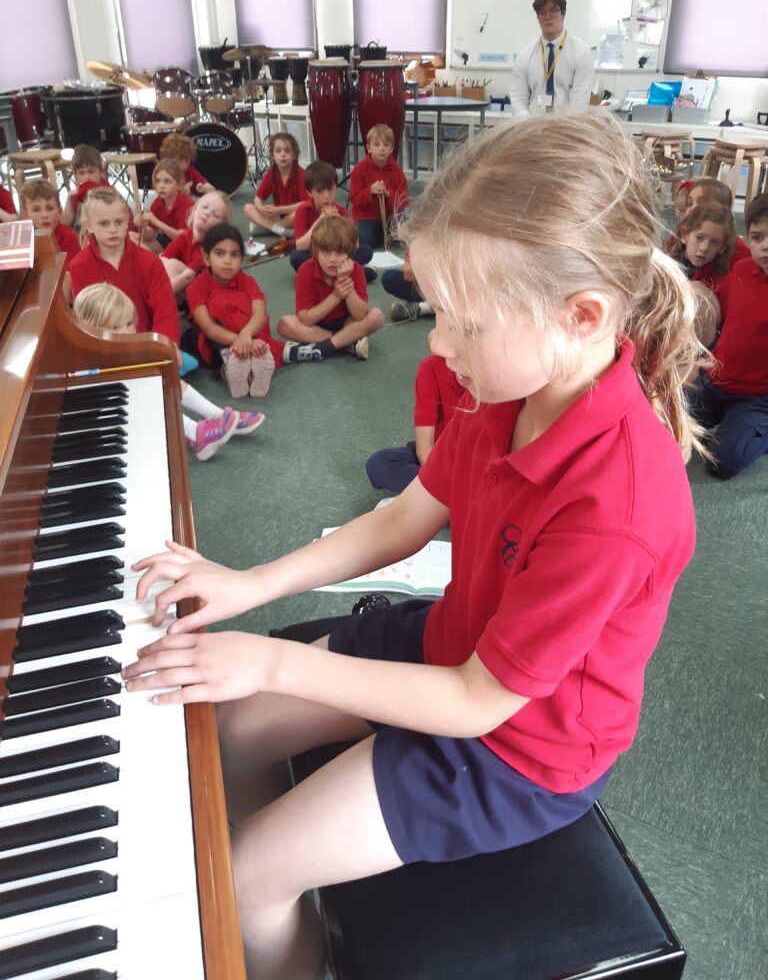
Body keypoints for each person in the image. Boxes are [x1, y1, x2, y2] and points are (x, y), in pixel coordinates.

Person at [125, 111, 705, 980]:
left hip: (520, 750)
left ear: (583, 316)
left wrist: (273, 662)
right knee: (226, 733)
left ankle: (279, 919)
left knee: (247, 874)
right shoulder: (507, 389)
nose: (435, 346)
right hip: (450, 647)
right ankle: (291, 890)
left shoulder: (618, 503)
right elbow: (404, 518)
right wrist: (246, 585)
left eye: (463, 323)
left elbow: (477, 705)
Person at [73, 283, 264, 460]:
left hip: (130, 417)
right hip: (112, 426)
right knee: (147, 388)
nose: (126, 332)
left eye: (129, 323)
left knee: (164, 375)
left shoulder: (118, 350)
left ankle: (216, 415)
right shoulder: (89, 363)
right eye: (115, 327)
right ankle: (194, 432)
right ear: (91, 329)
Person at [688, 193, 768, 478]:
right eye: (757, 237)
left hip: (756, 398)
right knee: (661, 426)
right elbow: (735, 327)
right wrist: (705, 358)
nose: (765, 247)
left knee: (722, 463)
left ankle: (756, 429)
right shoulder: (743, 267)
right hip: (715, 380)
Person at [70, 187, 180, 347]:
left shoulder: (150, 261)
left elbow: (165, 311)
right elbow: (86, 319)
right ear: (89, 226)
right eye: (104, 223)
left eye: (119, 222)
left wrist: (166, 346)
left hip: (148, 344)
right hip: (105, 347)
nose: (113, 230)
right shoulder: (79, 265)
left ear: (127, 219)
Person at [186, 224, 284, 398]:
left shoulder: (248, 281)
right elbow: (208, 327)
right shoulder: (196, 287)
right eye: (219, 253)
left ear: (242, 260)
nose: (227, 261)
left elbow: (260, 314)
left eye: (235, 255)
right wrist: (242, 341)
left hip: (246, 333)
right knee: (195, 334)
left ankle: (248, 366)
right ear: (206, 258)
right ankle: (230, 365)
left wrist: (246, 335)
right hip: (216, 339)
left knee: (245, 312)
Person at [278, 216, 384, 363]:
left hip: (347, 323)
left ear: (350, 252)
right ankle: (346, 342)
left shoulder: (357, 270)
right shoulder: (305, 270)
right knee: (285, 324)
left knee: (377, 316)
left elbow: (360, 315)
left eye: (339, 253)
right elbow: (305, 319)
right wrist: (336, 295)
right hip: (316, 325)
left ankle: (323, 347)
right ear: (315, 250)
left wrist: (345, 283)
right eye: (326, 252)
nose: (333, 259)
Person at [366, 352, 467, 502]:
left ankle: (446, 502)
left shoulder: (497, 377)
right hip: (438, 457)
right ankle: (459, 501)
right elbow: (424, 447)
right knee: (380, 464)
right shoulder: (432, 367)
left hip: (476, 465)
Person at [508, 0, 595, 117]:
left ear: (563, 14)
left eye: (553, 10)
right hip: (532, 128)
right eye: (542, 12)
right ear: (538, 18)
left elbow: (579, 103)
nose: (548, 16)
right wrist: (528, 127)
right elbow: (517, 100)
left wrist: (557, 130)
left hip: (567, 128)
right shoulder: (524, 56)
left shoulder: (581, 52)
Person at [289, 160, 374, 280]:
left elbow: (355, 246)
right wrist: (320, 220)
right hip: (316, 256)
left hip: (338, 257)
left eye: (330, 190)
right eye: (320, 191)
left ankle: (324, 276)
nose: (326, 196)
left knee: (366, 251)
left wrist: (340, 221)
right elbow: (300, 246)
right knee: (296, 257)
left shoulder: (340, 211)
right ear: (309, 192)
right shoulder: (303, 210)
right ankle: (349, 274)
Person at [667, 203, 737, 347]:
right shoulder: (668, 261)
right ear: (685, 235)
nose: (704, 248)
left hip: (699, 345)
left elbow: (727, 325)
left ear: (722, 247)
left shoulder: (722, 279)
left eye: (714, 242)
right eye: (700, 237)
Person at [243, 133, 307, 255]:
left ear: (294, 155)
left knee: (300, 212)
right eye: (278, 151)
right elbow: (257, 199)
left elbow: (305, 204)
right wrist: (263, 210)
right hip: (278, 217)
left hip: (292, 216)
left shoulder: (300, 174)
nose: (282, 154)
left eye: (287, 151)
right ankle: (279, 230)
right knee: (247, 208)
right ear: (273, 155)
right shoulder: (271, 173)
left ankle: (268, 228)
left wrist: (279, 210)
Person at [349, 123, 409, 250]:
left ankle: (385, 237)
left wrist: (388, 195)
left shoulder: (397, 170)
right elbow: (354, 199)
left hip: (390, 216)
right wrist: (369, 191)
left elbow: (403, 201)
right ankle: (384, 238)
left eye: (386, 145)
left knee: (407, 232)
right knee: (366, 241)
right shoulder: (359, 169)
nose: (382, 149)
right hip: (366, 217)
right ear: (368, 148)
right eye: (377, 145)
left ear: (392, 148)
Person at [161, 191, 232, 293]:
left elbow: (188, 277)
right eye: (205, 207)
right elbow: (162, 260)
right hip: (183, 287)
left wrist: (158, 296)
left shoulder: (210, 248)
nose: (207, 213)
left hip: (206, 296)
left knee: (173, 265)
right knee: (163, 262)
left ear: (220, 227)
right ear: (194, 210)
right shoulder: (184, 236)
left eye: (215, 215)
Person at [685, 176, 751, 267]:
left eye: (701, 204)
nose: (692, 208)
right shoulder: (683, 232)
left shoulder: (739, 249)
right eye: (690, 203)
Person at [135, 159, 195, 251]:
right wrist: (140, 227)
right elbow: (149, 237)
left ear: (179, 185)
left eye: (167, 181)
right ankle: (157, 260)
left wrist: (157, 222)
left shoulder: (186, 204)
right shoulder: (158, 203)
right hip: (166, 241)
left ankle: (158, 260)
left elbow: (183, 239)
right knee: (131, 236)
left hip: (185, 247)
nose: (161, 186)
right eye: (158, 181)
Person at [20, 178, 80, 267]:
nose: (44, 215)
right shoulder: (23, 239)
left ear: (59, 212)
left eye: (50, 208)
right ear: (26, 215)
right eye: (36, 210)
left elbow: (74, 275)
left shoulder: (69, 237)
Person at [61, 144, 110, 227]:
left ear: (101, 172)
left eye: (91, 172)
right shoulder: (76, 194)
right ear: (75, 175)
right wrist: (69, 198)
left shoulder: (109, 193)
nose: (87, 178)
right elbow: (66, 225)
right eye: (81, 173)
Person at [386, 248, 435, 323]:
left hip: (451, 290)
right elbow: (408, 275)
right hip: (428, 286)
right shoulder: (416, 239)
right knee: (389, 278)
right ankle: (435, 307)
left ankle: (423, 308)